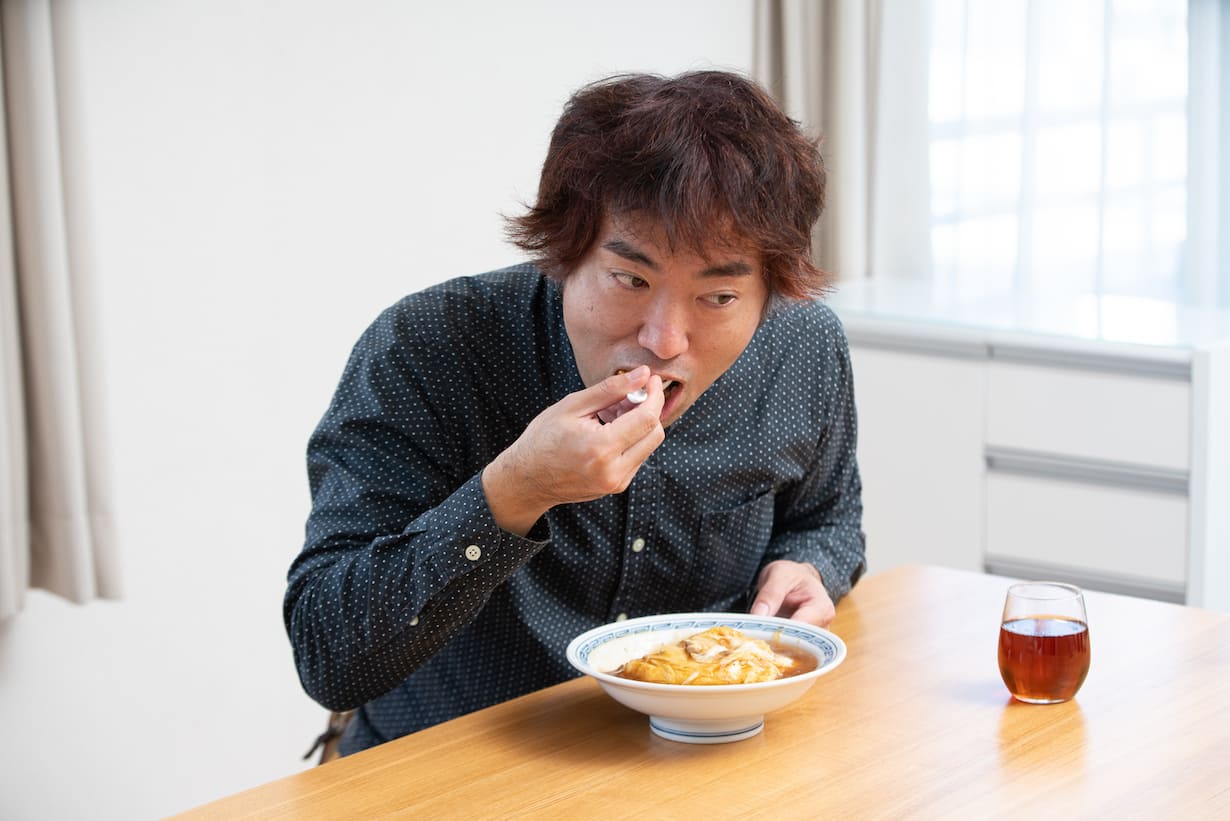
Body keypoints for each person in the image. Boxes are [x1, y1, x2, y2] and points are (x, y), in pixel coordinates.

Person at [285, 70, 866, 756]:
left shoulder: (802, 345)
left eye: (718, 297)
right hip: (444, 769)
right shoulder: (427, 347)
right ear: (564, 254)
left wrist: (807, 566)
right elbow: (328, 656)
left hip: (693, 764)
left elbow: (827, 520)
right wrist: (516, 490)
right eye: (630, 279)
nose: (664, 339)